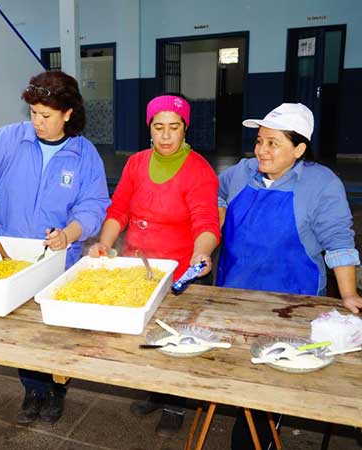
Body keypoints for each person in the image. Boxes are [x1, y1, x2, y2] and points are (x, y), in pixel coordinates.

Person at [0, 71, 110, 425]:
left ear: (68, 113)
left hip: (58, 259)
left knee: (55, 332)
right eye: (33, 113)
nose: (37, 122)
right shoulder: (11, 140)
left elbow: (93, 206)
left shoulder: (84, 155)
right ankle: (32, 389)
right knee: (21, 332)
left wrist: (69, 234)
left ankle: (57, 389)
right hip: (13, 259)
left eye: (46, 115)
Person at [216, 103, 362, 450]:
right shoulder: (241, 173)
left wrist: (349, 294)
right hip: (234, 295)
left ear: (299, 150)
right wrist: (217, 229)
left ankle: (256, 436)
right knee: (236, 373)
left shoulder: (321, 184)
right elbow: (218, 195)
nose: (261, 150)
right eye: (259, 141)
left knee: (270, 386)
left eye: (273, 143)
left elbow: (338, 241)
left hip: (291, 303)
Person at [88, 94, 220, 433]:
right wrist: (105, 243)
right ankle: (155, 391)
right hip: (138, 266)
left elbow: (206, 223)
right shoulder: (136, 164)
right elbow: (119, 210)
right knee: (145, 332)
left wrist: (201, 253)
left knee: (175, 338)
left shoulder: (198, 170)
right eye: (158, 127)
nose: (165, 135)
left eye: (174, 127)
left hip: (180, 271)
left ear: (185, 128)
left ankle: (175, 403)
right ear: (149, 128)